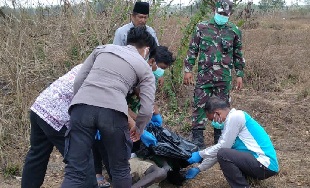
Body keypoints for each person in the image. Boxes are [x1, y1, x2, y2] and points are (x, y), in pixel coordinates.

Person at [61, 26, 157, 188]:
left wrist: (84, 103)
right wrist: (139, 129)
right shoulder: (144, 67)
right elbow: (147, 109)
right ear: (146, 49)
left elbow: (79, 82)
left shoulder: (102, 50)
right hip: (113, 113)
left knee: (75, 171)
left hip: (81, 108)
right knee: (120, 170)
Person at [92, 45, 175, 187]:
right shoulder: (132, 70)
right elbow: (119, 103)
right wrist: (137, 122)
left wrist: (153, 113)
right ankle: (99, 173)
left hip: (120, 116)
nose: (160, 71)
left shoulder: (148, 74)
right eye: (160, 67)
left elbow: (144, 96)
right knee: (104, 141)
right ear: (152, 61)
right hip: (109, 113)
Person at [21, 64, 98, 188]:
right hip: (58, 117)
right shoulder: (103, 76)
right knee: (82, 161)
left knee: (37, 155)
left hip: (39, 107)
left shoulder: (87, 65)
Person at [183, 0, 246, 148]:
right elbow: (193, 50)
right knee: (199, 105)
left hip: (223, 78)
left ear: (229, 14)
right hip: (204, 77)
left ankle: (220, 138)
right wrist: (188, 70)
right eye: (220, 13)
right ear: (215, 11)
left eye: (226, 14)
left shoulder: (234, 31)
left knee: (222, 107)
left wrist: (239, 74)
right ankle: (198, 140)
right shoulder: (202, 27)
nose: (222, 16)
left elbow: (238, 54)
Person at [185, 96, 279, 188]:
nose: (213, 123)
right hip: (260, 165)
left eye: (212, 119)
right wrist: (199, 168)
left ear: (217, 113)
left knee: (223, 153)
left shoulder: (235, 116)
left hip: (264, 164)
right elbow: (219, 152)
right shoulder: (230, 124)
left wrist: (200, 154)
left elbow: (222, 150)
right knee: (223, 153)